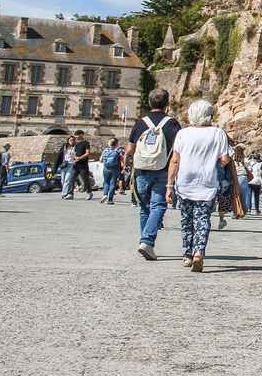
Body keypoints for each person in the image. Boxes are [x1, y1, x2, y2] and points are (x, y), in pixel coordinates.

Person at [166, 100, 235, 272]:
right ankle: (199, 253)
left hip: (184, 182)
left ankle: (187, 255)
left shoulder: (183, 133)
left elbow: (175, 160)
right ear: (209, 115)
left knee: (186, 220)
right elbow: (224, 159)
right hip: (207, 182)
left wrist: (169, 185)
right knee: (202, 219)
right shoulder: (218, 133)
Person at [127, 88, 182, 261]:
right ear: (167, 104)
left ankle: (145, 242)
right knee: (158, 206)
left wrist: (126, 166)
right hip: (162, 170)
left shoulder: (140, 122)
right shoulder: (172, 123)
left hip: (141, 170)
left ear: (150, 102)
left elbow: (129, 149)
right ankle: (147, 241)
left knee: (144, 208)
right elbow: (178, 150)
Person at [71, 129, 95, 200]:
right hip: (75, 164)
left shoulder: (86, 143)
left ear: (81, 134)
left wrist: (79, 158)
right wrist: (74, 158)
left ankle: (89, 193)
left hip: (83, 164)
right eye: (75, 136)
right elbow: (73, 153)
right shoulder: (75, 144)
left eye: (77, 135)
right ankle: (70, 193)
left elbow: (87, 153)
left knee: (85, 179)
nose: (76, 137)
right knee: (72, 178)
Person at [99, 139, 122, 204]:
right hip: (115, 169)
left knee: (106, 182)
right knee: (113, 183)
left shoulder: (106, 150)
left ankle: (105, 195)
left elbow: (100, 160)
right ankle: (110, 200)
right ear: (116, 143)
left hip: (106, 168)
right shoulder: (118, 150)